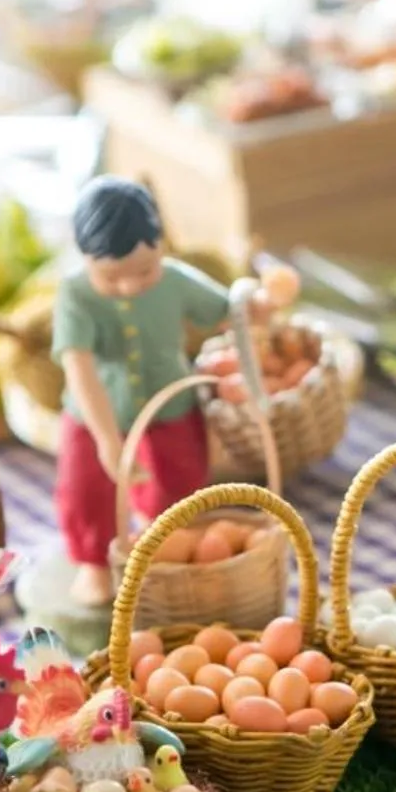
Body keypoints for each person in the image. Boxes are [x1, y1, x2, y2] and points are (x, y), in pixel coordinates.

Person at [50, 176, 267, 606]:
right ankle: (95, 563)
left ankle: (161, 548)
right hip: (95, 411)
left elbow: (226, 311)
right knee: (85, 486)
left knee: (178, 478)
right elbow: (80, 368)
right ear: (86, 259)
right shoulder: (75, 295)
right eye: (111, 278)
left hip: (170, 400)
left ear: (161, 245)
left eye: (144, 271)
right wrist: (106, 437)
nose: (130, 286)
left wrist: (258, 304)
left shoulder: (175, 280)